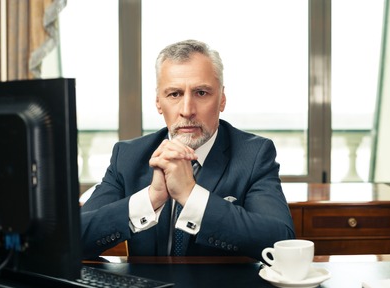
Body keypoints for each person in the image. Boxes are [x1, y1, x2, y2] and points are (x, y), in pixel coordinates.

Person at [81, 39, 295, 260]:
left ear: (222, 99)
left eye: (201, 93)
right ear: (157, 102)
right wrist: (150, 199)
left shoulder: (254, 155)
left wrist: (191, 196)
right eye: (174, 94)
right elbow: (70, 240)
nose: (187, 110)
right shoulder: (127, 156)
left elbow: (282, 244)